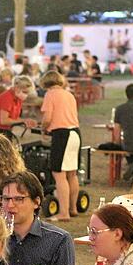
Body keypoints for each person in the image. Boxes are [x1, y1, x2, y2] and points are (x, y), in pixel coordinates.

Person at [1, 170, 75, 265]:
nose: (10, 205)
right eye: (6, 199)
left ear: (36, 202)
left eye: (19, 199)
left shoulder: (59, 240)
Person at [40, 70, 81, 221]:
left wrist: (43, 127)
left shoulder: (50, 94)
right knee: (72, 173)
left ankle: (64, 213)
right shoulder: (69, 94)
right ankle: (73, 208)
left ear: (46, 83)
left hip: (62, 135)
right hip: (75, 133)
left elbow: (48, 117)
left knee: (59, 174)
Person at [0, 76, 37, 140]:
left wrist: (26, 121)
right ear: (16, 88)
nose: (26, 95)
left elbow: (13, 118)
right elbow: (4, 121)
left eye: (27, 93)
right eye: (24, 92)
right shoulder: (7, 98)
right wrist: (23, 121)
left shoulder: (18, 99)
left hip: (5, 130)